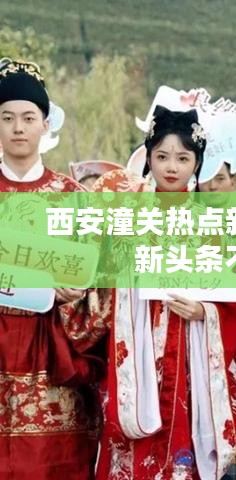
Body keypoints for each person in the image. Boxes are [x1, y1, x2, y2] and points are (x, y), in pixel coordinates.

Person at [96, 106, 236, 480]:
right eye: (162, 156)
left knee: (181, 449)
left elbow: (231, 302)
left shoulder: (214, 225)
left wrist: (205, 311)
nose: (172, 167)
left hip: (189, 352)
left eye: (183, 158)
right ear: (148, 158)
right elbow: (102, 285)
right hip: (137, 350)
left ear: (197, 163)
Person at [0, 58, 111, 479]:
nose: (18, 128)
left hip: (51, 351)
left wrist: (76, 294)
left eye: (29, 118)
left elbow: (100, 281)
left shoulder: (74, 197)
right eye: (7, 118)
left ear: (45, 125)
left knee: (50, 465)